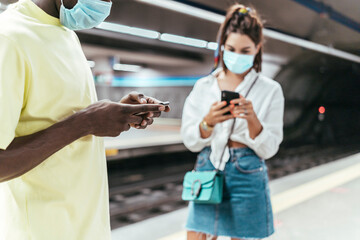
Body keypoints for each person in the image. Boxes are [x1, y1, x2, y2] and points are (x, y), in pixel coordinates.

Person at [0, 0, 170, 239]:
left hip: (87, 228)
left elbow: (63, 117)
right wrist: (86, 122)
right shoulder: (9, 38)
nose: (106, 3)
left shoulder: (66, 34)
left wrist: (111, 115)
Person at [181, 4, 284, 240]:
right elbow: (190, 141)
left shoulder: (270, 90)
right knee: (196, 235)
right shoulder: (204, 86)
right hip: (208, 169)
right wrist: (207, 122)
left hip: (247, 172)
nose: (237, 55)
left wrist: (253, 120)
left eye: (245, 50)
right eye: (231, 48)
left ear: (257, 48)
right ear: (223, 47)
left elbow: (270, 149)